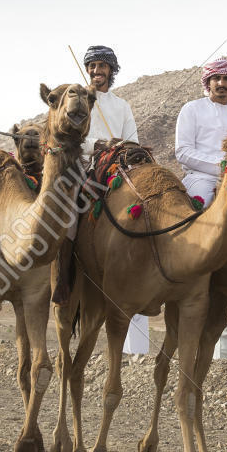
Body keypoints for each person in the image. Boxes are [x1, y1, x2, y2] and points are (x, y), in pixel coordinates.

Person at [173, 58, 227, 363]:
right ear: (207, 83)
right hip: (202, 177)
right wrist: (219, 167)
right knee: (194, 214)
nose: (221, 84)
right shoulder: (191, 109)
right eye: (216, 79)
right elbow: (182, 151)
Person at [81, 44, 150, 357]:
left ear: (111, 70)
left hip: (116, 166)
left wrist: (119, 148)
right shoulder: (76, 100)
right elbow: (70, 137)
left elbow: (132, 140)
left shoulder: (121, 106)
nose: (97, 72)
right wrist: (96, 144)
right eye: (92, 66)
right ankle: (62, 277)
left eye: (102, 66)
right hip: (82, 167)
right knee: (62, 217)